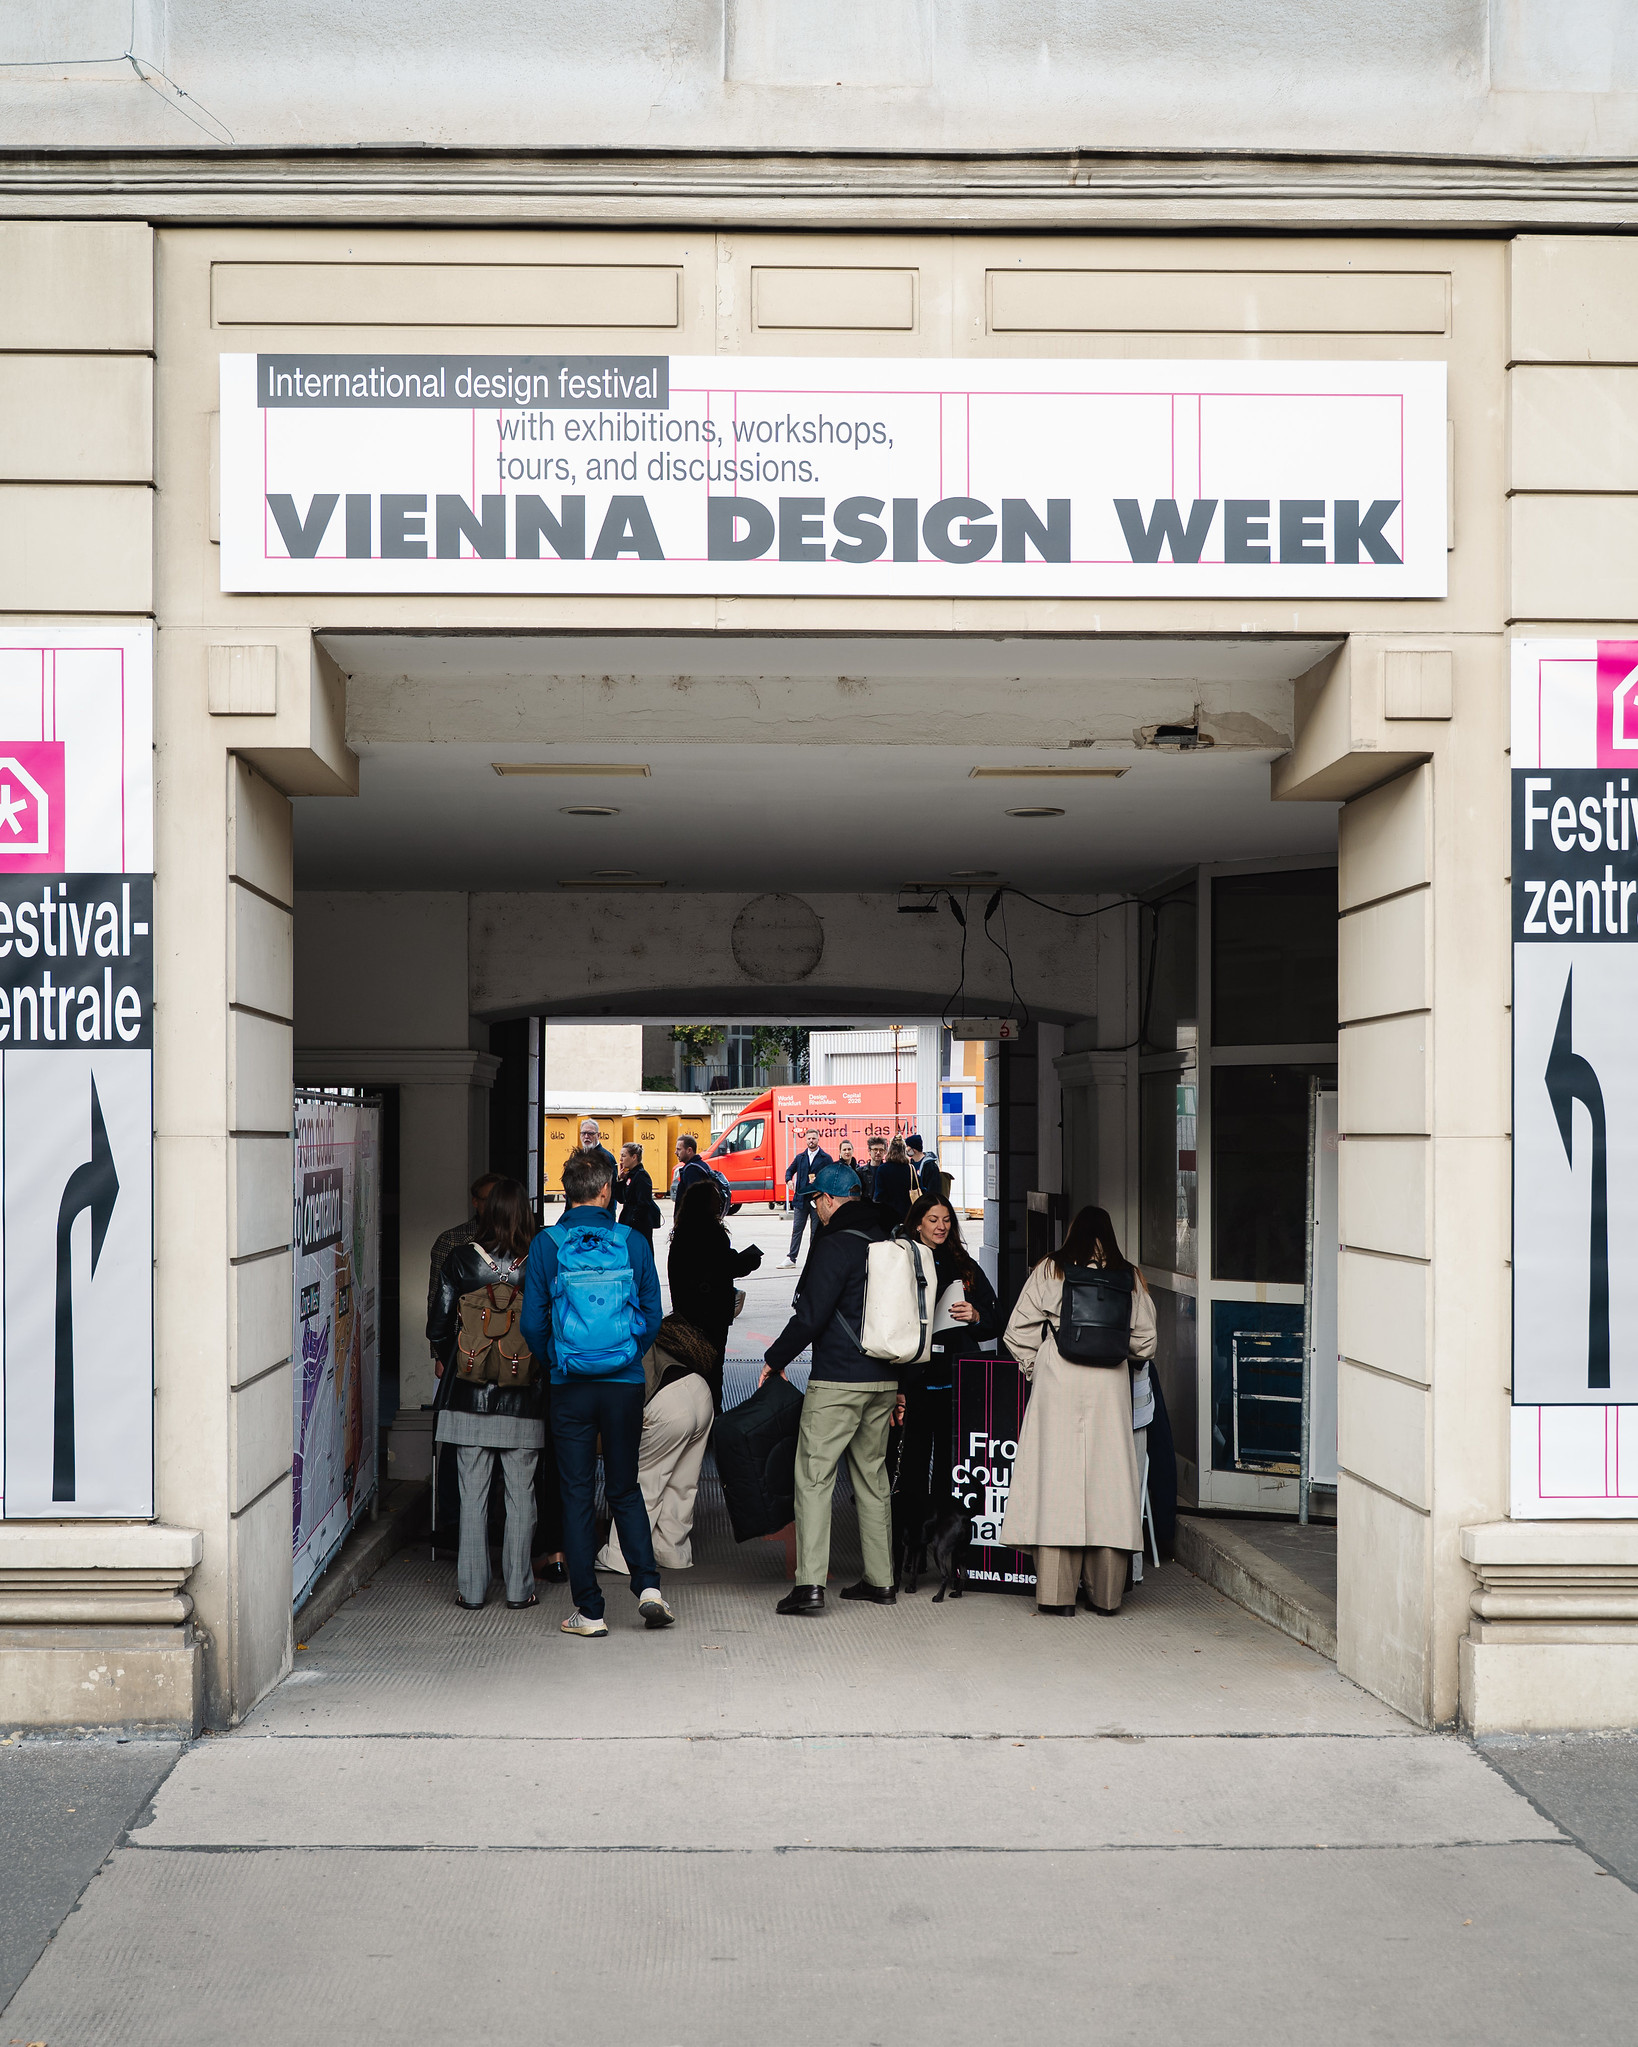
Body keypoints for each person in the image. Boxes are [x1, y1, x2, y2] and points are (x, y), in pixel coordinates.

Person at [521, 1146, 671, 1636]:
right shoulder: (632, 1241)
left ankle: (589, 1612)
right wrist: (625, 1354)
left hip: (570, 1386)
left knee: (577, 1494)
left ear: (567, 1192)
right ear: (607, 1190)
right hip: (624, 1385)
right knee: (625, 1488)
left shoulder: (547, 1244)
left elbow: (532, 1324)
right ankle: (648, 1587)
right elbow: (652, 1315)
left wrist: (559, 1361)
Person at [759, 1161, 905, 1616]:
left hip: (839, 1379)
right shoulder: (889, 1241)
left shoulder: (835, 1243)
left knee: (814, 1478)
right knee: (873, 1479)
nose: (816, 1211)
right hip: (883, 1379)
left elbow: (811, 1315)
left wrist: (774, 1359)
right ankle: (881, 1580)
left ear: (827, 1200)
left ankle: (809, 1584)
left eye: (816, 1202)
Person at [1000, 1205, 1154, 1617]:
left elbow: (1016, 1331)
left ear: (1072, 1233)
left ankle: (1057, 1596)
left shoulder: (1051, 1268)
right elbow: (1146, 1343)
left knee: (1057, 1483)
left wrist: (1036, 1366)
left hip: (1058, 1382)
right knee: (1108, 1486)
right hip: (1109, 1388)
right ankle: (1105, 1598)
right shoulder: (1129, 1275)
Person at [427, 1178, 542, 1611]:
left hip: (468, 1397)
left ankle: (472, 1590)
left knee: (471, 1495)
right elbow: (549, 1325)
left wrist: (457, 1360)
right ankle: (519, 1589)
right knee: (521, 1496)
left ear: (486, 1211)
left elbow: (438, 1325)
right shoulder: (539, 1261)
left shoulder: (460, 1259)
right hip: (523, 1396)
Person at [892, 1192, 1001, 1581]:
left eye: (946, 1220)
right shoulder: (901, 1260)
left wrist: (975, 1315)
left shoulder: (963, 1264)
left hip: (956, 1380)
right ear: (917, 1223)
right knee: (912, 1470)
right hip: (916, 1381)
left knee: (948, 1471)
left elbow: (995, 1319)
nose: (940, 1227)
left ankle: (943, 1549)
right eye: (933, 1219)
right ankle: (909, 1554)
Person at [595, 1315, 719, 1574]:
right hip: (698, 1390)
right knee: (682, 1484)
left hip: (667, 1405)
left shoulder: (606, 1337)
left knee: (645, 1483)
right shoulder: (641, 1326)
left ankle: (621, 1556)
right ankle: (672, 1551)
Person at [668, 1179, 762, 1364]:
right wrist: (749, 1261)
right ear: (704, 1202)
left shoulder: (682, 1232)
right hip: (711, 1311)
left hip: (687, 1310)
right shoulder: (711, 1231)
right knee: (713, 1363)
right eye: (715, 1198)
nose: (720, 1201)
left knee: (692, 1363)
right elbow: (725, 1265)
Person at [426, 1173, 498, 1344]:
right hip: (467, 1342)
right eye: (487, 1200)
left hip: (514, 1344)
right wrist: (441, 1353)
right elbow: (437, 1299)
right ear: (475, 1202)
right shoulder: (451, 1240)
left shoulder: (523, 1242)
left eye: (499, 1200)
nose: (494, 1207)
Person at [782, 1127, 832, 1267]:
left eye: (814, 1138)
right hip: (801, 1200)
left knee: (815, 1231)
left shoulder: (826, 1158)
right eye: (809, 1138)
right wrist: (789, 1180)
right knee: (797, 1229)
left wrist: (820, 1180)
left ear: (818, 1139)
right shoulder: (800, 1158)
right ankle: (791, 1258)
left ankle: (814, 1258)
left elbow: (831, 1175)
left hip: (817, 1200)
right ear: (805, 1140)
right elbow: (789, 1170)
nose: (811, 1141)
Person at [615, 1141, 659, 1246]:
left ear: (634, 1157)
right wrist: (620, 1180)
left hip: (638, 1226)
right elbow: (621, 1198)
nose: (620, 1159)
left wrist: (632, 1221)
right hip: (628, 1222)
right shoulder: (630, 1175)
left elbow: (643, 1204)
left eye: (623, 1156)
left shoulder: (641, 1176)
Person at [873, 1136, 915, 1221]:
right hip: (908, 1214)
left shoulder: (882, 1169)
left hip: (888, 1215)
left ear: (889, 1150)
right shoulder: (910, 1169)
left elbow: (879, 1196)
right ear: (904, 1151)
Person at [670, 1132, 718, 1206]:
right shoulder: (703, 1165)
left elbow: (693, 1201)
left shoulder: (692, 1170)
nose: (675, 1152)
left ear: (689, 1150)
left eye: (679, 1149)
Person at [905, 1134, 941, 1204]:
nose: (906, 1149)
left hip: (926, 1203)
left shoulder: (930, 1166)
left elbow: (934, 1188)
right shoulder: (910, 1164)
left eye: (907, 1146)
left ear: (914, 1149)